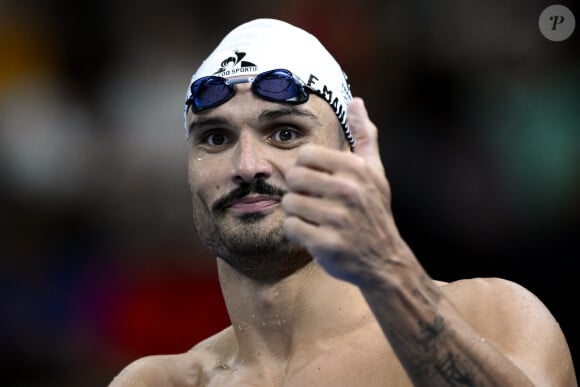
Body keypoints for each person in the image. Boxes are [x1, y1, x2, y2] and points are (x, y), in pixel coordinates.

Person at [109, 18, 577, 386]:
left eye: (285, 132)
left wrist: (387, 274)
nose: (248, 164)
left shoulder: (491, 317)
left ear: (350, 155)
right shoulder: (158, 382)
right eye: (215, 137)